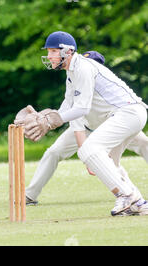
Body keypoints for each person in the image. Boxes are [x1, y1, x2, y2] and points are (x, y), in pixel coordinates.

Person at [14, 31, 148, 216]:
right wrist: (44, 118)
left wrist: (54, 120)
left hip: (128, 113)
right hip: (123, 115)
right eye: (49, 52)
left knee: (88, 150)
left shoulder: (83, 67)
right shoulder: (71, 72)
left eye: (53, 51)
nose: (49, 56)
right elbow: (67, 105)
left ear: (68, 51)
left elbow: (82, 109)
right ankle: (138, 203)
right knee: (110, 164)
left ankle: (126, 195)